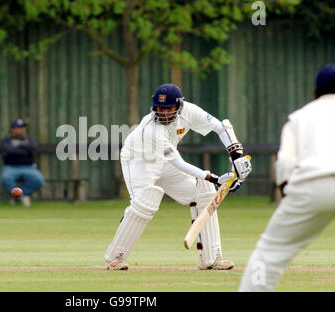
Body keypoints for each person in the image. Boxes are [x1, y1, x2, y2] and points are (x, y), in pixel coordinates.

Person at [104, 83, 253, 270]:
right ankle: (116, 257)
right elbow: (179, 163)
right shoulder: (150, 129)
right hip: (139, 160)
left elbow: (221, 127)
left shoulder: (189, 111)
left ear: (179, 106)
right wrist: (216, 179)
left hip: (165, 160)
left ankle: (211, 258)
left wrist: (236, 155)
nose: (163, 113)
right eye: (159, 108)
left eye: (168, 108)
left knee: (204, 190)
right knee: (145, 202)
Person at [239, 64, 335, 291]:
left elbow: (285, 165)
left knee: (269, 253)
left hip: (311, 186)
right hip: (314, 182)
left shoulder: (299, 117)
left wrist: (287, 195)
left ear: (315, 92)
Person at [0, 119, 45, 207]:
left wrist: (18, 146)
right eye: (18, 128)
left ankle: (19, 195)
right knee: (5, 179)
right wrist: (24, 147)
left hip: (28, 167)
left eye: (22, 128)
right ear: (12, 129)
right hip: (10, 167)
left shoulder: (29, 140)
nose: (20, 130)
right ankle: (21, 196)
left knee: (39, 180)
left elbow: (33, 148)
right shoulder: (6, 141)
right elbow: (8, 151)